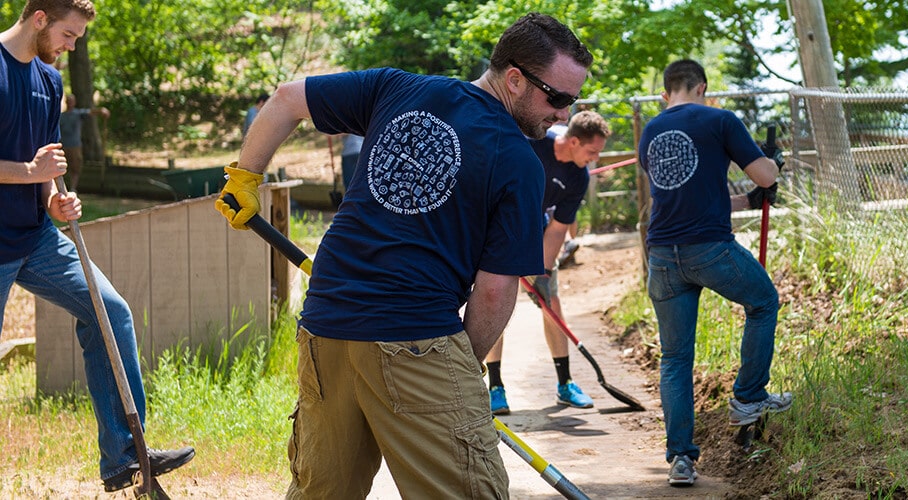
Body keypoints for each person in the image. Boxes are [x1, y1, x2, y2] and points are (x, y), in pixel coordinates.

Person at [214, 12, 592, 498]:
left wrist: (245, 177)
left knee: (322, 492)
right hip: (415, 335)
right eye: (557, 98)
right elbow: (495, 293)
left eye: (572, 101)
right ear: (515, 79)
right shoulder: (517, 160)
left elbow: (288, 99)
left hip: (325, 325)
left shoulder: (398, 88)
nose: (563, 114)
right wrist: (459, 371)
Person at [0, 0, 194, 493]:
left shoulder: (49, 81)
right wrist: (30, 174)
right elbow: (31, 167)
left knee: (109, 311)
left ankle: (124, 456)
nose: (72, 45)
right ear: (39, 17)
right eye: (68, 34)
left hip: (34, 237)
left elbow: (47, 163)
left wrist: (52, 201)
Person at [637, 59, 790, 487]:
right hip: (709, 250)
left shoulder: (651, 130)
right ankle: (749, 398)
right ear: (702, 86)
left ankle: (681, 460)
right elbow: (764, 173)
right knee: (763, 302)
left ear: (667, 93)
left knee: (675, 358)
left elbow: (690, 192)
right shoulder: (720, 119)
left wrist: (748, 202)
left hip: (663, 257)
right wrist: (770, 162)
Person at [484, 110, 611, 414]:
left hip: (537, 229)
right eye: (592, 151)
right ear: (574, 141)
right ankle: (495, 387)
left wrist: (541, 267)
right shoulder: (531, 143)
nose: (595, 159)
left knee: (551, 301)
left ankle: (565, 384)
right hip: (498, 225)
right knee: (494, 301)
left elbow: (557, 228)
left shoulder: (577, 176)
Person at [59, 93, 108, 191]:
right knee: (61, 168)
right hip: (63, 146)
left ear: (74, 102)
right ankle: (61, 189)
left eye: (72, 101)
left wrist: (101, 111)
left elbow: (90, 112)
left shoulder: (78, 113)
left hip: (75, 146)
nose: (70, 103)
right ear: (66, 102)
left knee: (76, 167)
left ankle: (73, 188)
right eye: (68, 101)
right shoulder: (61, 116)